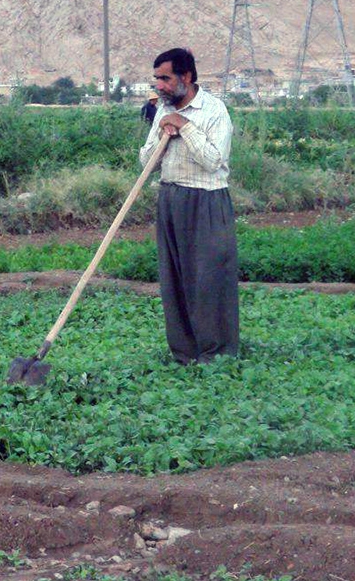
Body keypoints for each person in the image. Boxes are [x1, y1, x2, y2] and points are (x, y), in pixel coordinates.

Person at [139, 48, 238, 365]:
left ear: (187, 77)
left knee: (208, 279)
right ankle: (184, 352)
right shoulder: (162, 111)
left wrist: (185, 126)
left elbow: (213, 161)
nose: (160, 86)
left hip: (206, 200)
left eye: (165, 79)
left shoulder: (214, 110)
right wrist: (162, 132)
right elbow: (146, 163)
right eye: (156, 79)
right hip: (171, 198)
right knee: (174, 279)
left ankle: (216, 352)